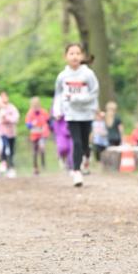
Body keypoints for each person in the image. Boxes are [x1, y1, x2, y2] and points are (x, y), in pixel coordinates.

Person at [53, 42, 99, 187]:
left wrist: (77, 99)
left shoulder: (88, 74)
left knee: (85, 142)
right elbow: (58, 94)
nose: (74, 56)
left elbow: (94, 93)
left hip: (86, 113)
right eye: (71, 53)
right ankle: (77, 171)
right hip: (71, 114)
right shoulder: (62, 76)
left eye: (77, 53)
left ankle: (87, 155)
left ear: (82, 56)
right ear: (65, 57)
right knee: (76, 142)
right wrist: (57, 110)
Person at [26, 97, 50, 175]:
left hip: (42, 134)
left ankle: (43, 164)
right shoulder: (30, 113)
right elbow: (28, 125)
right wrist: (32, 124)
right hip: (34, 134)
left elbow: (48, 121)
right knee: (35, 151)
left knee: (42, 147)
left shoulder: (43, 112)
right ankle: (35, 167)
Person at [0, 91, 20, 177]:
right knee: (4, 148)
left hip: (12, 133)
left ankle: (10, 168)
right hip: (2, 133)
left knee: (11, 151)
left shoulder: (12, 108)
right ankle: (3, 164)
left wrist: (7, 118)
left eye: (5, 96)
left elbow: (16, 118)